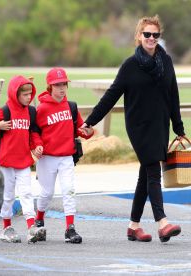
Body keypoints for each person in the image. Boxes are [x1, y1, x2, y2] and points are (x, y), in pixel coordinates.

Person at [82, 15, 185, 243]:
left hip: (160, 124)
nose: (151, 38)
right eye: (147, 34)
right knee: (152, 170)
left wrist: (178, 127)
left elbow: (173, 96)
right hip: (138, 126)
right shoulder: (130, 65)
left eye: (155, 35)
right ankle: (162, 222)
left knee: (144, 175)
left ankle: (133, 226)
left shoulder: (166, 61)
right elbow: (111, 95)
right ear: (139, 36)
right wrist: (90, 121)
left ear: (159, 37)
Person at [34, 67, 93, 243]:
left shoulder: (71, 107)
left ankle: (70, 229)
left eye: (64, 84)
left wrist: (87, 131)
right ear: (49, 87)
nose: (61, 88)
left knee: (69, 191)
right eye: (57, 85)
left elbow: (80, 128)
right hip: (47, 158)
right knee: (47, 193)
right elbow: (34, 132)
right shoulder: (41, 109)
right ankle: (39, 218)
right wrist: (37, 145)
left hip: (67, 156)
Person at [0, 75, 46, 243]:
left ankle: (31, 227)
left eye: (30, 94)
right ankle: (6, 227)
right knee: (8, 195)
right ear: (15, 94)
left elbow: (32, 133)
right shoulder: (4, 110)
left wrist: (36, 146)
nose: (29, 97)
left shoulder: (30, 111)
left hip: (23, 160)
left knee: (26, 193)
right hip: (6, 161)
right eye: (25, 94)